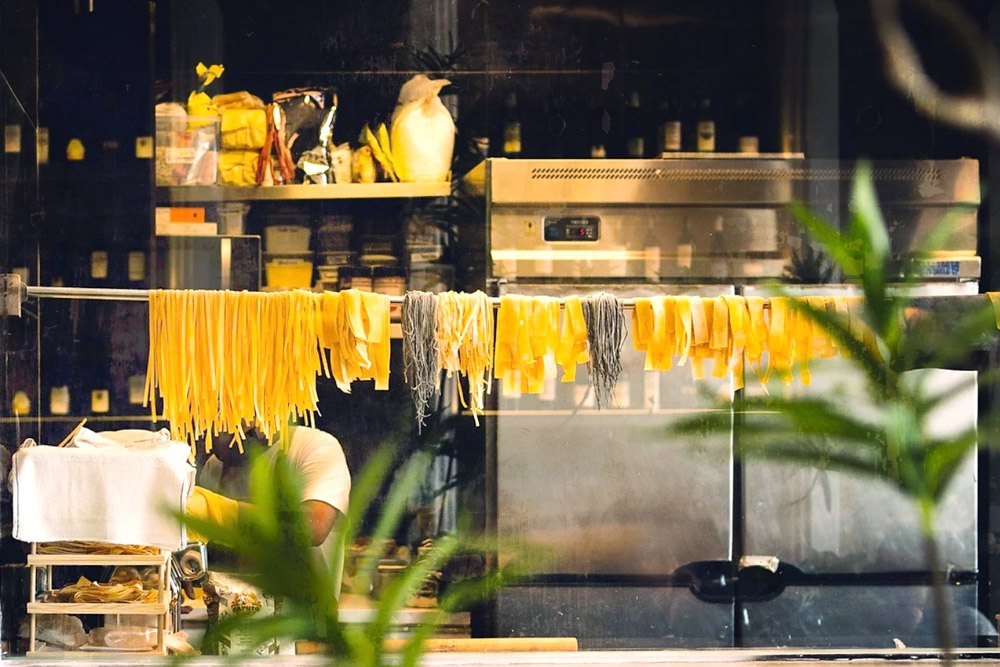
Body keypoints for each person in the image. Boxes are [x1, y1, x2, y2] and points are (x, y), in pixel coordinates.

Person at [186, 422, 351, 595]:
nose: (207, 434)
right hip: (233, 608)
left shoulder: (313, 446)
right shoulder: (215, 466)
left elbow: (313, 526)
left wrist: (219, 510)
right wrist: (187, 560)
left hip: (303, 610)